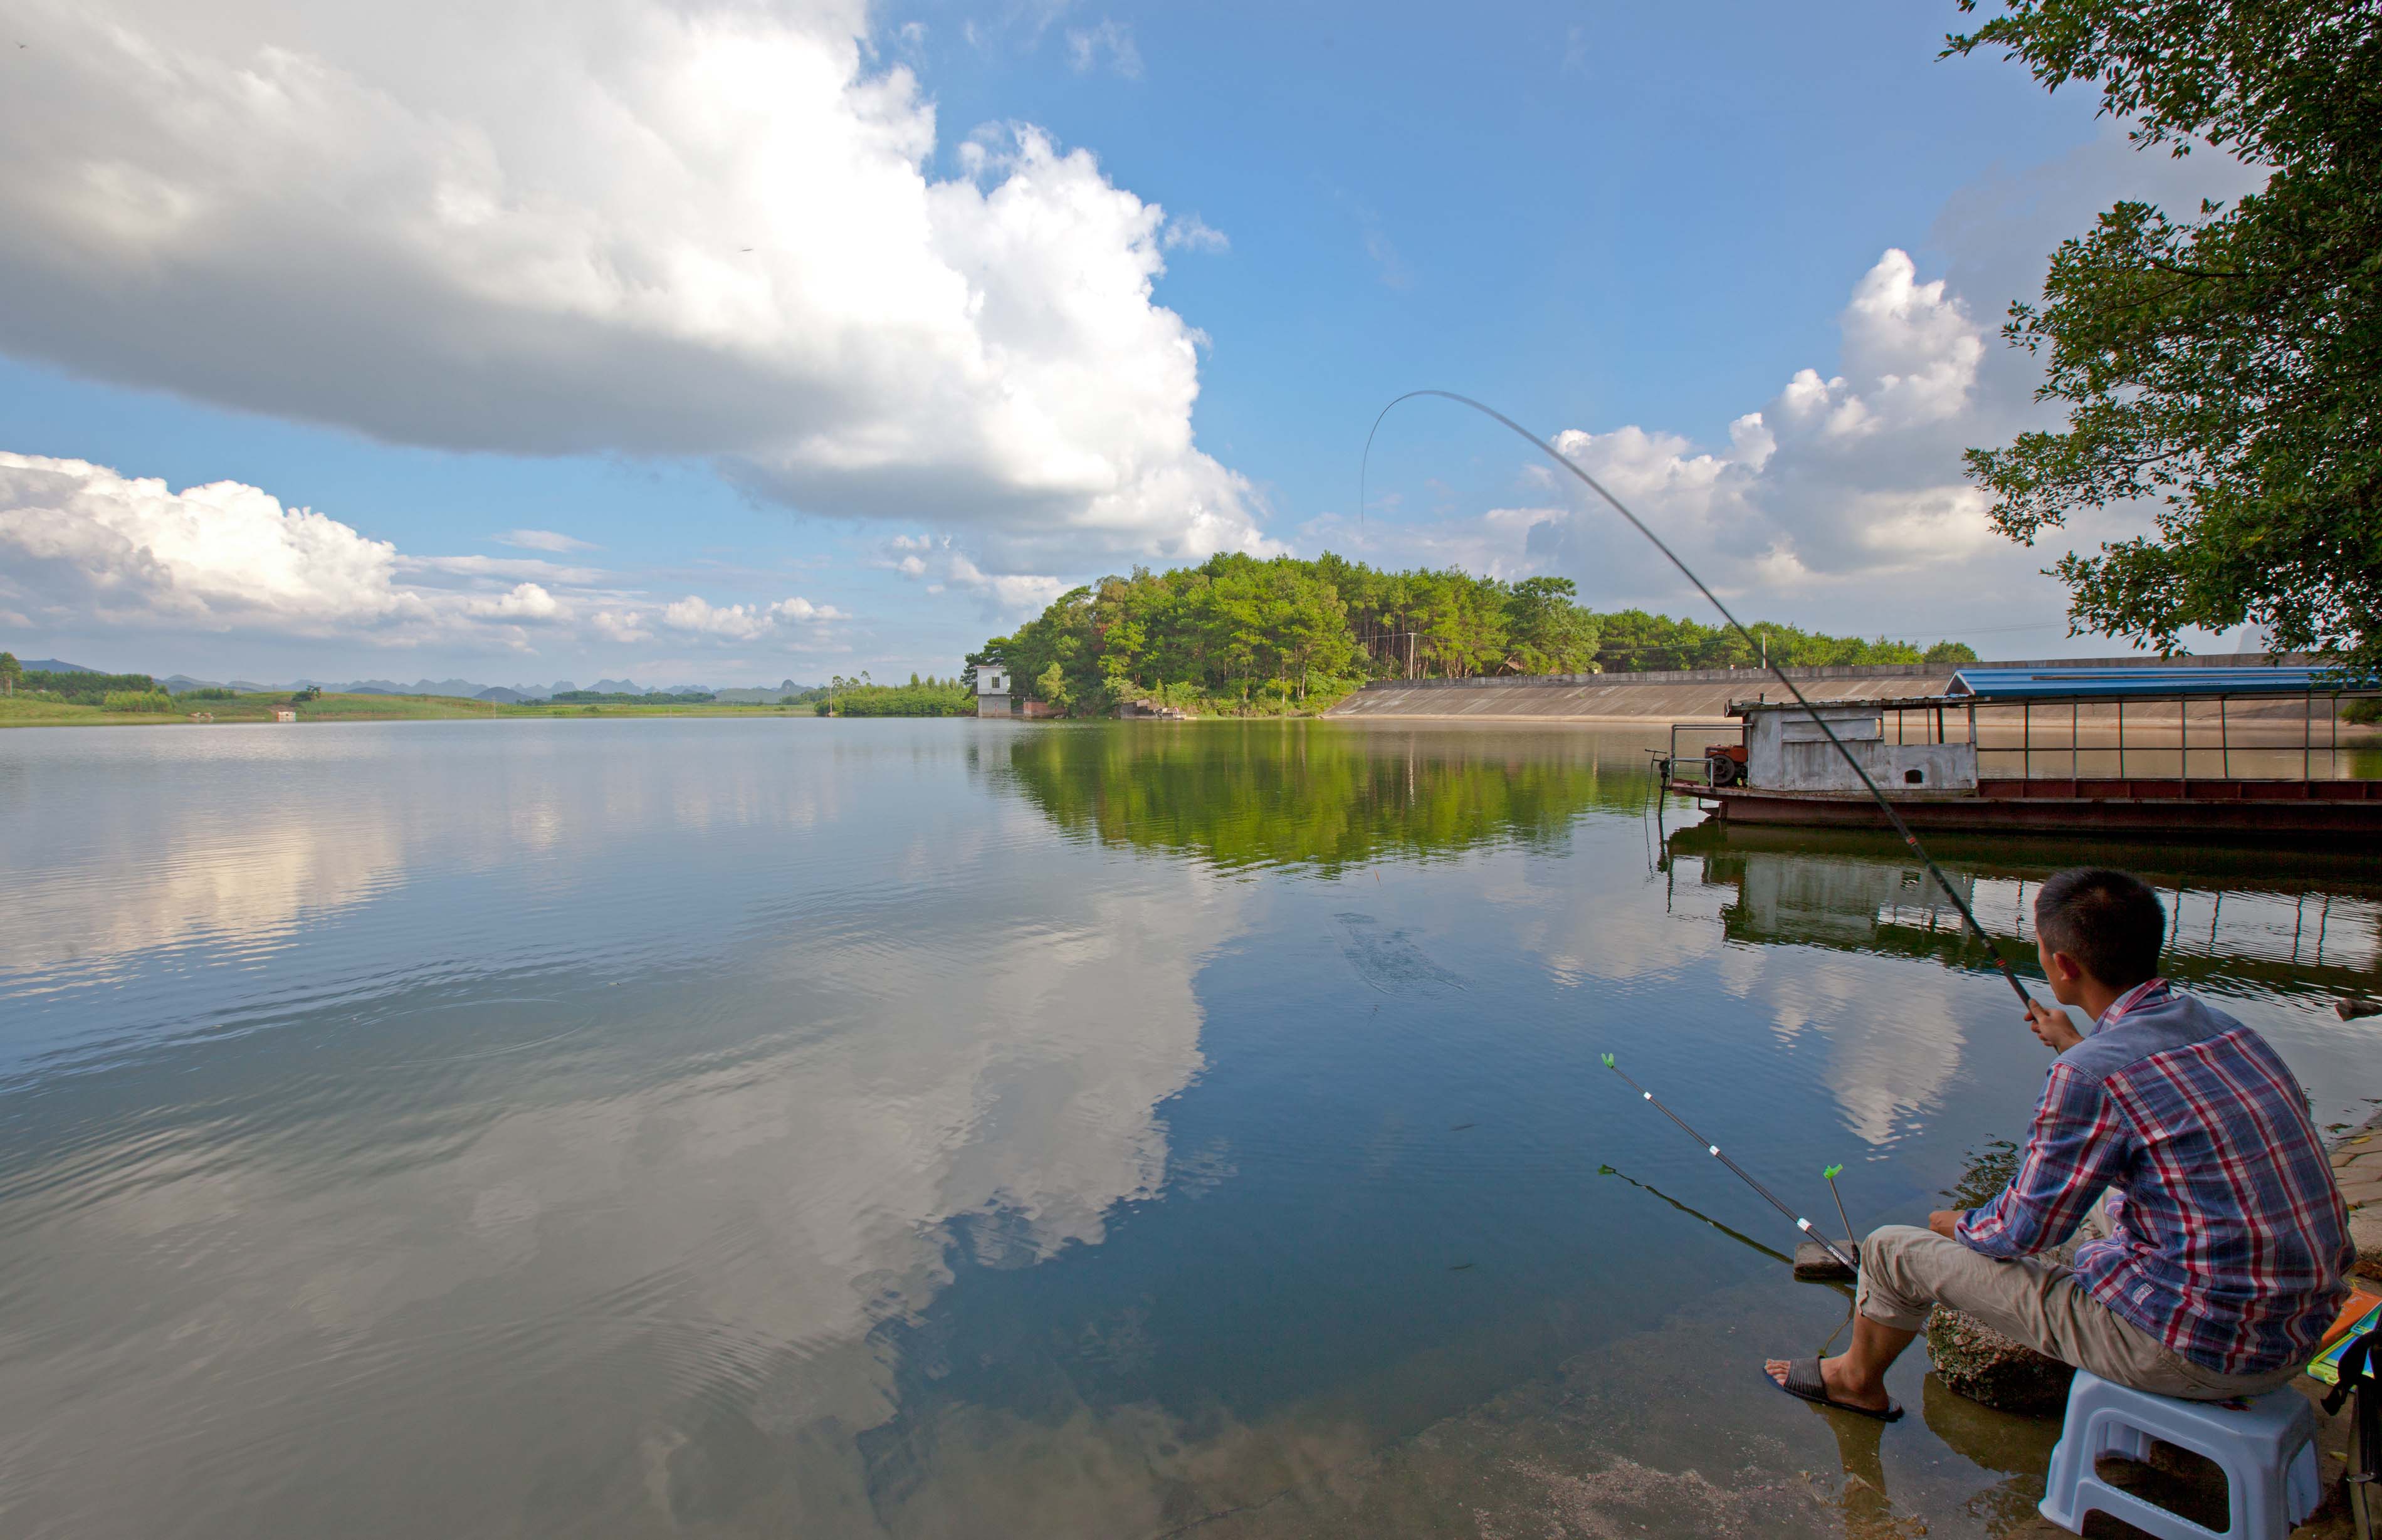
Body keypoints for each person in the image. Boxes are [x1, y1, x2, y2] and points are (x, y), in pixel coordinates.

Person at [1766, 867, 2353, 1420]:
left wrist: (1956, 1222)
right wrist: (2074, 1041)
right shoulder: (2228, 1030)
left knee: (1893, 1250)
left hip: (2197, 1352)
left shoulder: (2090, 1074)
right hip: (2299, 1329)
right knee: (2103, 1196)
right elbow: (2144, 1091)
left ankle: (1854, 1382)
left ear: (2062, 965)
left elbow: (2024, 1231)